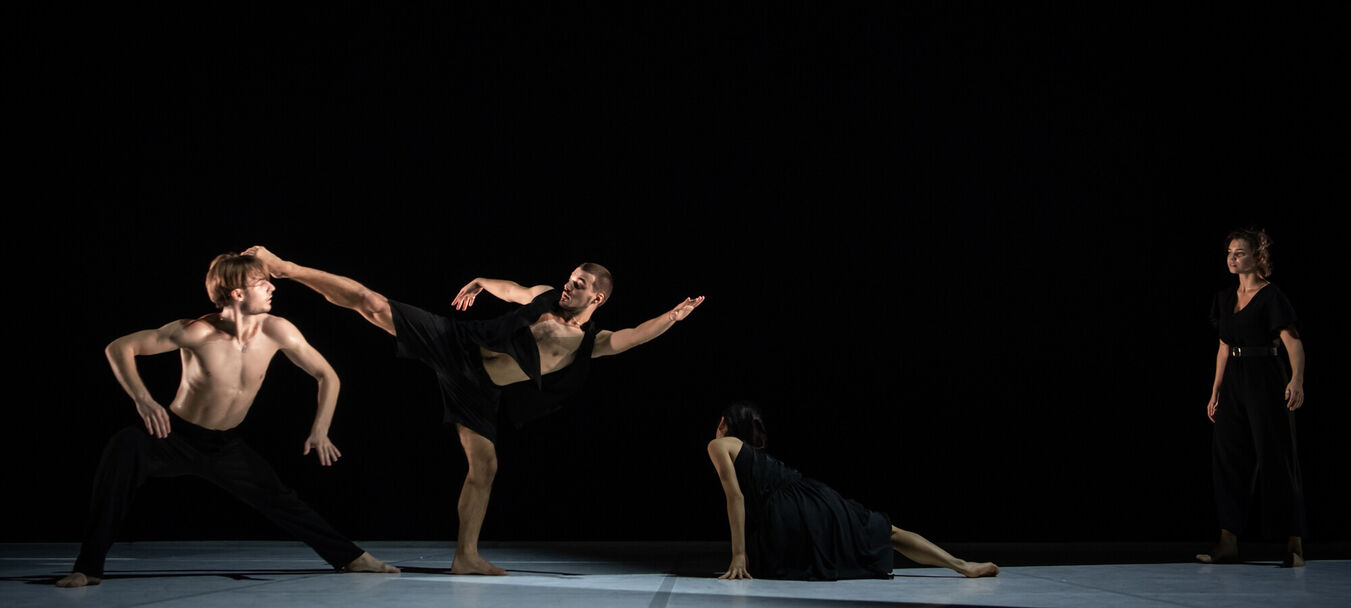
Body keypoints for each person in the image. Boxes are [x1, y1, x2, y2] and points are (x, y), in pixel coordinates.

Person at [242, 246, 703, 575]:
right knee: (372, 303)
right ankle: (284, 266)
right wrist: (483, 282)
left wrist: (672, 318)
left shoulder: (591, 343)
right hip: (458, 347)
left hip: (479, 390)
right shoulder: (544, 295)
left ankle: (466, 556)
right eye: (570, 279)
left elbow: (636, 335)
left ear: (596, 298)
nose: (568, 285)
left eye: (579, 285)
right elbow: (514, 290)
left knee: (485, 466)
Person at [56, 253, 398, 588]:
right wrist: (144, 400)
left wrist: (321, 428)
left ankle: (351, 558)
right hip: (173, 436)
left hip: (223, 444)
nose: (272, 289)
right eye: (262, 283)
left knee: (281, 498)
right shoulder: (196, 333)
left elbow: (327, 375)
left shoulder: (278, 330)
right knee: (122, 448)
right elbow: (119, 348)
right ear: (237, 293)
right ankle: (88, 568)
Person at [707, 402, 999, 580]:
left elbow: (736, 497)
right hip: (816, 496)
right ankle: (961, 565)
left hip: (788, 511)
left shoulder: (718, 444)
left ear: (723, 424)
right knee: (889, 531)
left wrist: (739, 555)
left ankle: (962, 566)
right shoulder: (752, 451)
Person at [1197, 229, 1306, 567]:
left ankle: (1294, 544)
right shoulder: (1224, 298)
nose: (1232, 258)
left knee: (1276, 456)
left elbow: (1293, 343)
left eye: (1240, 253)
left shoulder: (1272, 296)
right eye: (1229, 252)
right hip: (1234, 381)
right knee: (1228, 457)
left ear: (1257, 257)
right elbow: (1223, 347)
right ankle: (1228, 542)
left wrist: (1297, 381)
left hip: (1266, 376)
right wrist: (1215, 390)